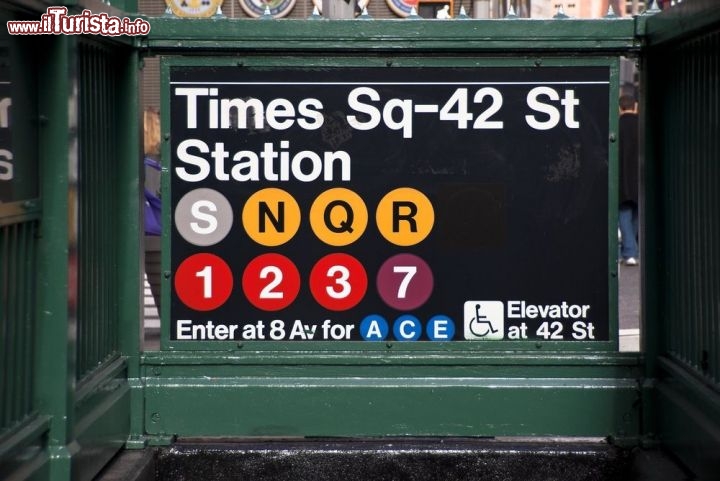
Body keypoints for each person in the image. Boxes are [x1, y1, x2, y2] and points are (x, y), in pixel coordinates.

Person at [618, 94, 639, 266]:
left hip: (623, 178)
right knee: (635, 216)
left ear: (620, 108)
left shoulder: (617, 126)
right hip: (639, 178)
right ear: (636, 106)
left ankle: (629, 251)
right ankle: (631, 249)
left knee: (624, 214)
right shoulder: (642, 125)